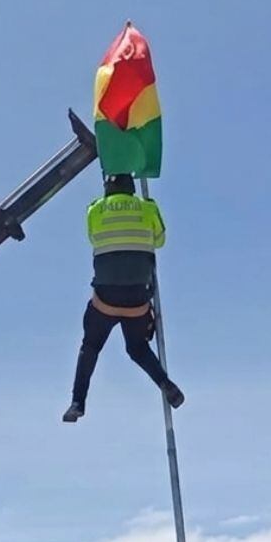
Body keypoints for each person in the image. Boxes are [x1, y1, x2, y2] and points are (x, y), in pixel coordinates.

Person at [64, 172, 183, 423]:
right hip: (137, 301)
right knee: (138, 348)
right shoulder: (147, 208)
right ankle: (166, 384)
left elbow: (92, 237)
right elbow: (160, 241)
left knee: (91, 346)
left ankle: (77, 402)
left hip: (105, 300)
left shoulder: (95, 210)